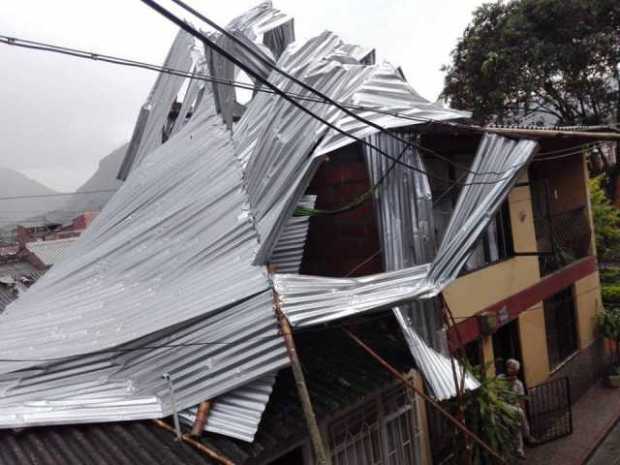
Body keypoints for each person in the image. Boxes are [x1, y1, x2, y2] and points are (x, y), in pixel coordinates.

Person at [498, 358, 535, 460]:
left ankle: (519, 450)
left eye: (513, 369)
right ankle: (527, 436)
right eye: (509, 368)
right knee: (519, 415)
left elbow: (521, 399)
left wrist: (521, 409)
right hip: (503, 406)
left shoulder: (518, 384)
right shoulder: (500, 379)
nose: (511, 370)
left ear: (516, 371)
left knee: (517, 423)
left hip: (514, 408)